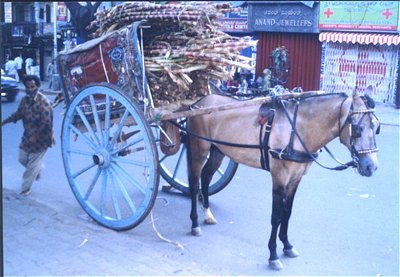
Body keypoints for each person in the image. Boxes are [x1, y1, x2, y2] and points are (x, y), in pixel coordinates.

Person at [2, 75, 55, 196]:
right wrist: (4, 122)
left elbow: (46, 122)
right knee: (22, 158)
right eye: (28, 87)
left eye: (33, 86)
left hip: (42, 139)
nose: (30, 89)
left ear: (37, 87)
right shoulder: (24, 100)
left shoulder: (44, 102)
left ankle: (25, 189)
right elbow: (18, 114)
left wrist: (35, 136)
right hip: (27, 136)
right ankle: (37, 169)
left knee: (31, 167)